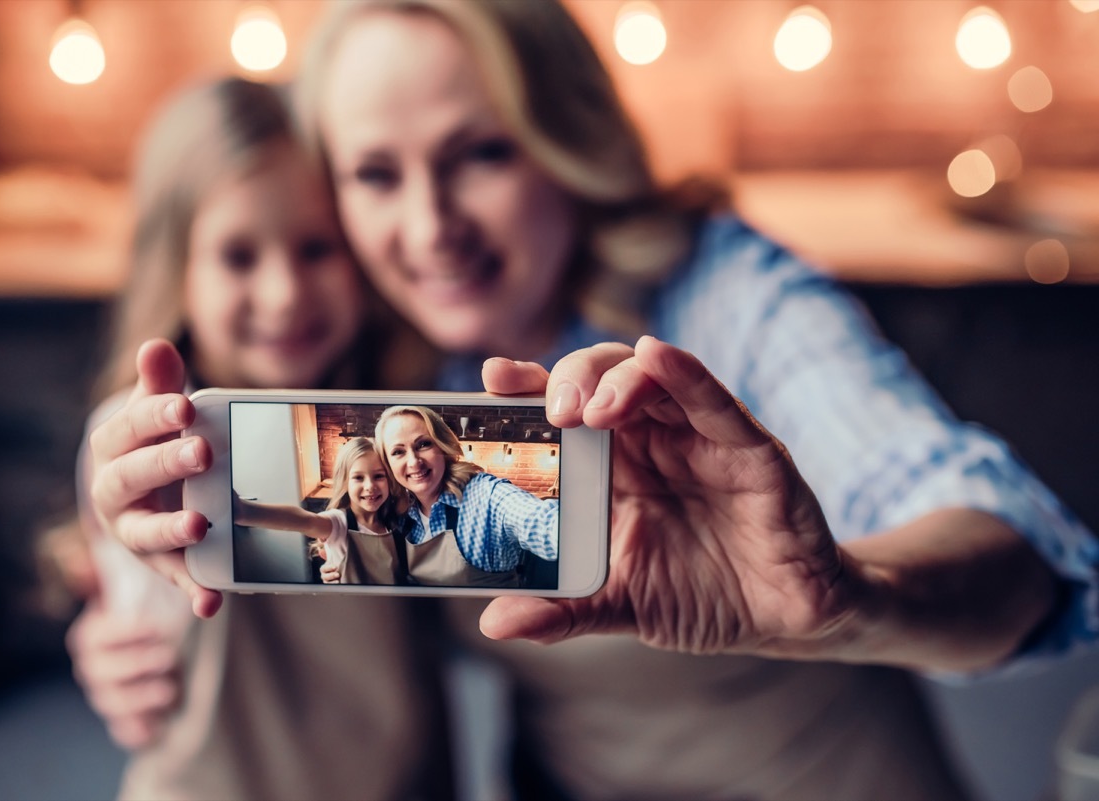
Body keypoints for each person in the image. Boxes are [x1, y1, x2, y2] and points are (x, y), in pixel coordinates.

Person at [86, 1, 1098, 798]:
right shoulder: (357, 339)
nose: (429, 228)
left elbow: (1021, 562)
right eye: (375, 174)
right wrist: (124, 604)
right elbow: (227, 488)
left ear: (565, 140)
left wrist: (852, 598)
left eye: (481, 153)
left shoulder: (725, 303)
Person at [63, 75, 452, 800]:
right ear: (177, 266)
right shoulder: (152, 435)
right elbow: (127, 528)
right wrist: (120, 550)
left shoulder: (401, 415)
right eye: (238, 256)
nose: (284, 293)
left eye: (315, 247)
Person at [374, 405, 557, 587]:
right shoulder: (398, 513)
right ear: (388, 464)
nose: (414, 462)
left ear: (443, 446)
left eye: (423, 444)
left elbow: (545, 522)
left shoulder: (486, 496)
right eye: (398, 452)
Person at [234, 436, 408, 585]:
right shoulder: (338, 523)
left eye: (378, 476)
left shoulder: (394, 522)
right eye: (358, 478)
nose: (370, 486)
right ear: (345, 482)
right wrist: (245, 511)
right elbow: (305, 520)